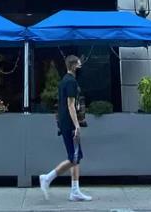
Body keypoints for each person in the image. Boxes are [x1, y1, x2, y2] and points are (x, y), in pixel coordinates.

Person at [39, 55, 92, 202]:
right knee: (74, 157)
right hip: (69, 124)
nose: (80, 67)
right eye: (79, 65)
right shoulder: (71, 82)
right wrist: (77, 125)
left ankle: (75, 191)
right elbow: (70, 105)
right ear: (73, 66)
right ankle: (47, 178)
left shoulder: (64, 81)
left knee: (76, 157)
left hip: (65, 122)